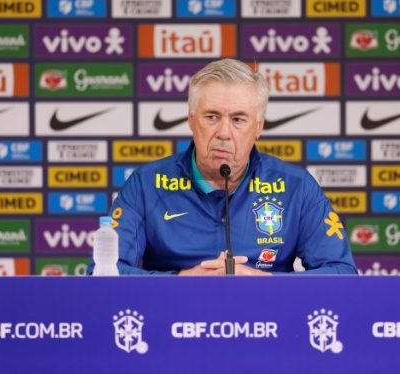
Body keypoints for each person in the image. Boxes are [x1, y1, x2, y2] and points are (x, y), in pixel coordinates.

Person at [88, 59, 357, 275]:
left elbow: (342, 272)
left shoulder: (296, 186)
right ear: (191, 120)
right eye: (212, 116)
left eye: (238, 119)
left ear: (258, 127)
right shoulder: (146, 185)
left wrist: (264, 283)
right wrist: (180, 282)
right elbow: (103, 273)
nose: (224, 133)